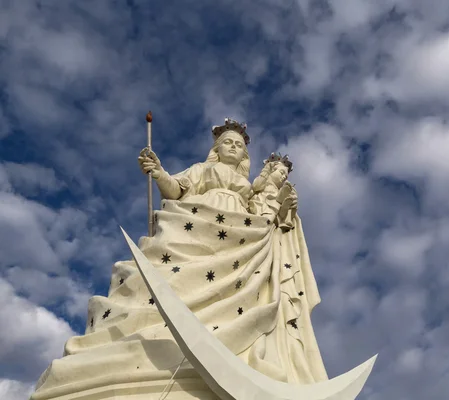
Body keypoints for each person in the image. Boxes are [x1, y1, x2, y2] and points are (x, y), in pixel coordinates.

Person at [30, 119, 329, 400]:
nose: (234, 147)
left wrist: (284, 209)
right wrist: (159, 172)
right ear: (217, 148)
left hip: (240, 232)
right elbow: (175, 188)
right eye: (228, 142)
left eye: (239, 145)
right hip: (197, 223)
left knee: (238, 288)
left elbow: (266, 219)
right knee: (181, 277)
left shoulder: (249, 190)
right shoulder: (201, 170)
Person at [248, 152, 298, 231]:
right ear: (272, 170)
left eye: (285, 177)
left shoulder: (279, 190)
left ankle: (285, 205)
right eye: (282, 173)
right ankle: (282, 204)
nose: (284, 177)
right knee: (272, 205)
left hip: (275, 206)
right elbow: (256, 186)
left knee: (283, 200)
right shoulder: (263, 182)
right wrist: (266, 170)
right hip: (260, 202)